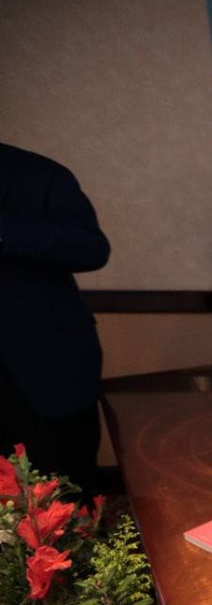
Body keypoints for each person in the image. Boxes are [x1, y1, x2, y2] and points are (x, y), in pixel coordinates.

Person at [0, 143, 110, 499]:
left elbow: (92, 249)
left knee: (69, 492)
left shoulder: (38, 174)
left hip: (47, 372)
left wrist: (5, 232)